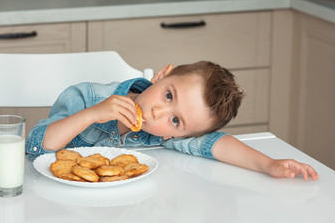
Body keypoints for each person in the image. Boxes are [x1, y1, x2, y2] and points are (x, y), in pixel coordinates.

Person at [26, 61, 319, 181]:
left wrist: (269, 164)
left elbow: (218, 145)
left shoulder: (163, 134)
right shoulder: (86, 96)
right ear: (162, 75)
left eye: (176, 120)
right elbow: (36, 147)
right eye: (168, 96)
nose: (158, 114)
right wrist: (91, 114)